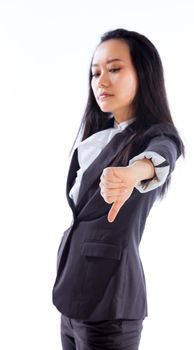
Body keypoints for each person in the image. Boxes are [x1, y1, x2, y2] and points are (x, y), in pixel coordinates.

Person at [52, 28, 185, 350]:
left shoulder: (155, 135)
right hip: (73, 297)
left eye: (114, 68)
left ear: (144, 73)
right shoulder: (98, 138)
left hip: (111, 305)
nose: (101, 80)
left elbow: (162, 156)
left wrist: (134, 172)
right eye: (95, 72)